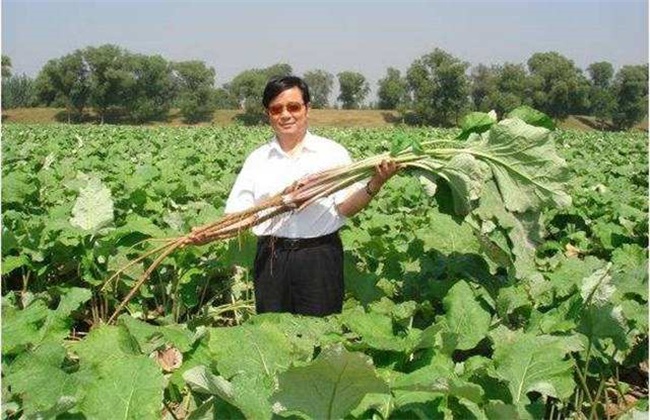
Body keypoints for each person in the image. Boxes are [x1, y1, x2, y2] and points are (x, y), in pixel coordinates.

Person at [224, 75, 399, 317]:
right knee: (272, 335)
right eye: (277, 109)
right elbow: (238, 215)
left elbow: (345, 208)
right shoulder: (257, 159)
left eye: (293, 107)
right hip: (271, 258)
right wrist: (282, 201)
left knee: (321, 334)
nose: (286, 115)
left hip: (319, 256)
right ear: (268, 114)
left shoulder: (331, 153)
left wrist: (376, 183)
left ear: (307, 108)